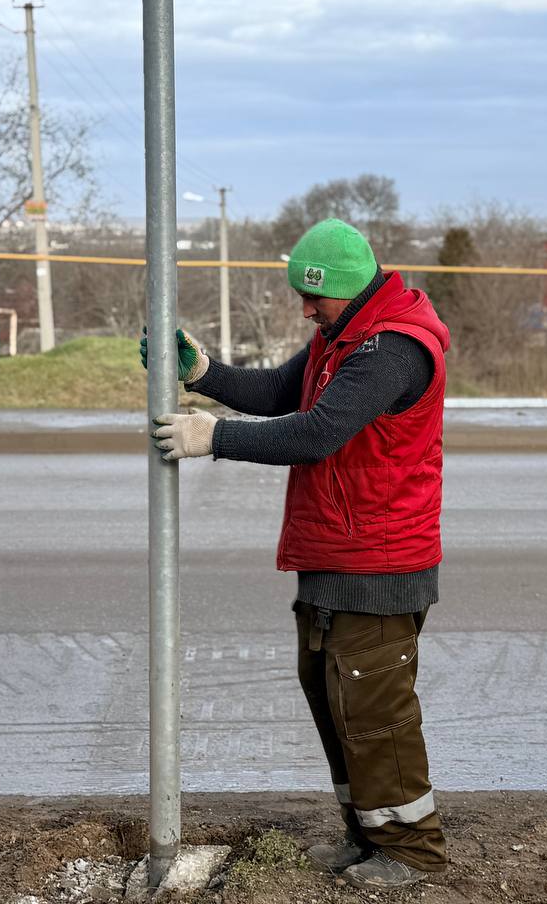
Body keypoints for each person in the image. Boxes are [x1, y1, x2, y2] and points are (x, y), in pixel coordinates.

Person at [141, 218, 450, 890]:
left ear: (351, 288)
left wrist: (212, 438)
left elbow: (316, 432)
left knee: (375, 712)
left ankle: (411, 851)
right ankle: (367, 835)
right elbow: (288, 393)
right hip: (334, 555)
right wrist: (205, 373)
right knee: (334, 698)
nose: (306, 310)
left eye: (316, 298)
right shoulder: (342, 338)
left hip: (379, 562)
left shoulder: (391, 351)